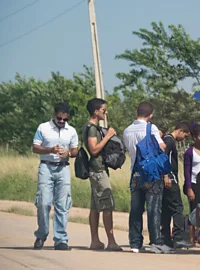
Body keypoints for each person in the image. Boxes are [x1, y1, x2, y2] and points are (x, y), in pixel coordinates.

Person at [123, 101, 173, 254]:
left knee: (136, 209)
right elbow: (161, 147)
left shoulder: (127, 130)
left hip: (135, 173)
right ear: (150, 115)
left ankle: (135, 243)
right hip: (151, 174)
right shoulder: (151, 128)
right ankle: (156, 242)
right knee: (153, 209)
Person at [32, 102, 78, 251]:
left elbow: (75, 150)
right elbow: (35, 147)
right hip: (46, 166)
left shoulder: (71, 131)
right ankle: (41, 234)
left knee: (62, 205)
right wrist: (50, 149)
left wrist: (69, 154)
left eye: (65, 119)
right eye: (59, 119)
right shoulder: (43, 128)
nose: (62, 122)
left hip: (63, 168)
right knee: (44, 203)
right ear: (54, 115)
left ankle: (60, 239)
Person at [84, 98, 122, 251]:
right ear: (96, 111)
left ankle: (95, 240)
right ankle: (111, 241)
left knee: (95, 207)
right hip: (98, 171)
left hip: (96, 170)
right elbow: (94, 150)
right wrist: (108, 136)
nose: (105, 113)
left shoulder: (88, 127)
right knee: (107, 206)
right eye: (103, 110)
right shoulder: (92, 128)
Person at [161, 122, 193, 249]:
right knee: (177, 207)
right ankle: (178, 237)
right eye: (184, 136)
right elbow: (163, 156)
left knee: (167, 209)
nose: (183, 139)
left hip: (167, 178)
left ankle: (166, 238)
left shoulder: (167, 139)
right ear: (179, 131)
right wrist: (166, 175)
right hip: (170, 178)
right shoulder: (170, 141)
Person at [183, 123, 200, 245]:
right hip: (193, 184)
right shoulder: (189, 152)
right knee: (193, 211)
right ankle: (191, 238)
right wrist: (189, 189)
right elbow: (187, 172)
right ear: (194, 138)